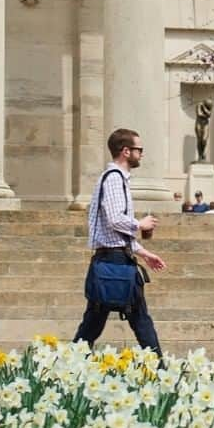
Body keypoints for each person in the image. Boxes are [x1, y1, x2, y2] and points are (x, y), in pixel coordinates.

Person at [73, 128, 166, 357]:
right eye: (139, 149)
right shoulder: (114, 179)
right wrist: (140, 224)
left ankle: (69, 365)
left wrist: (143, 252)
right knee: (137, 319)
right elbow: (115, 219)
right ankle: (159, 369)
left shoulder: (116, 179)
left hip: (113, 258)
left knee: (95, 322)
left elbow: (115, 233)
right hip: (113, 261)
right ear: (126, 151)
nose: (142, 154)